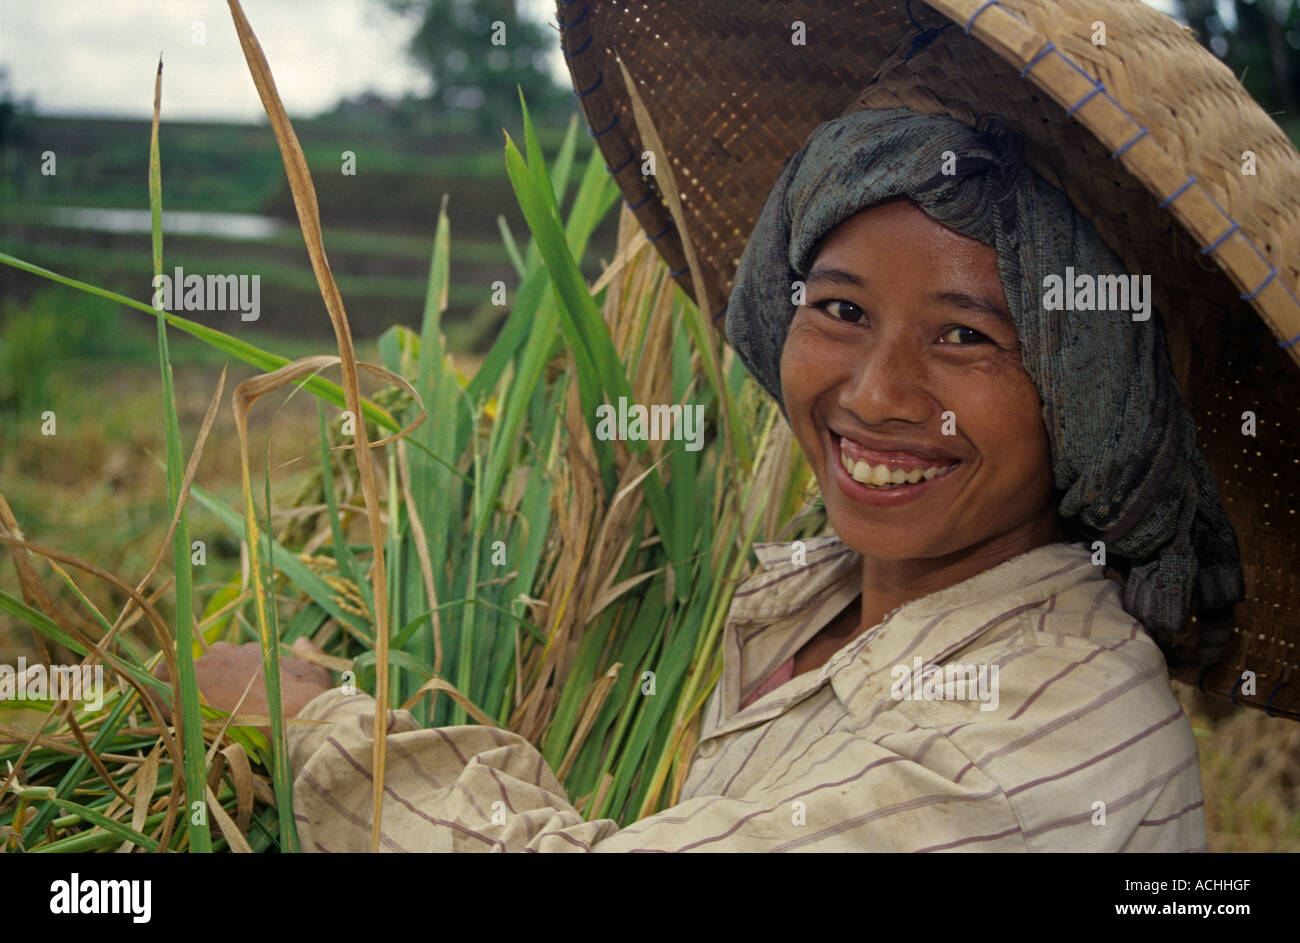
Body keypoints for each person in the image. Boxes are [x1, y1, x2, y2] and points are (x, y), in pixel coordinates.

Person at [180, 96, 1245, 850]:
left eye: (966, 336)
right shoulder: (806, 598)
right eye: (838, 310)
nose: (874, 393)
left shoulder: (1027, 742)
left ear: (1092, 392)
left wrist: (307, 727)